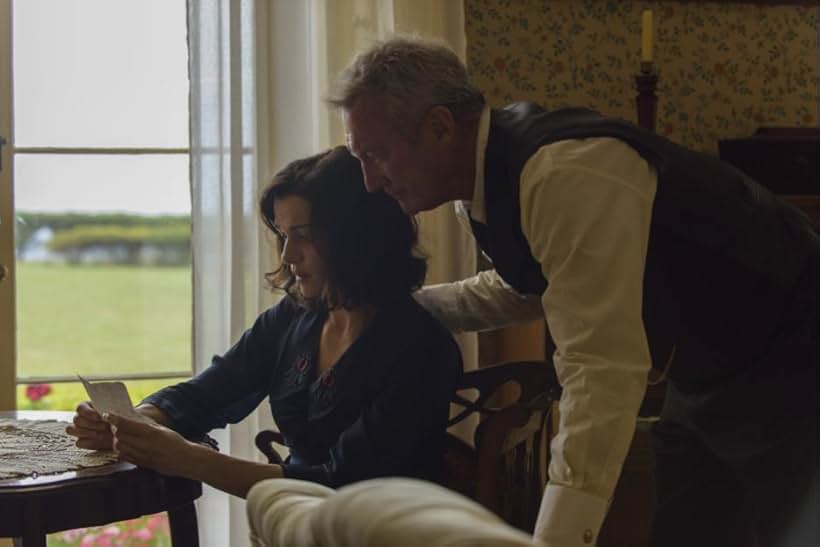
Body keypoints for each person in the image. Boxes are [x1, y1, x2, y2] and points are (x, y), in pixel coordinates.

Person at [330, 35, 818, 547]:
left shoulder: (561, 175)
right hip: (706, 371)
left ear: (438, 128)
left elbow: (598, 367)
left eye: (376, 155)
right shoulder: (483, 183)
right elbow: (543, 287)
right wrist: (413, 310)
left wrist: (556, 539)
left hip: (794, 348)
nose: (369, 182)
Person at [67, 146, 463, 498]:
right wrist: (133, 422)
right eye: (282, 234)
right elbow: (208, 394)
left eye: (303, 235)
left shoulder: (420, 350)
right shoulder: (294, 317)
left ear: (358, 238)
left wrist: (190, 460)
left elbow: (340, 486)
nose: (288, 255)